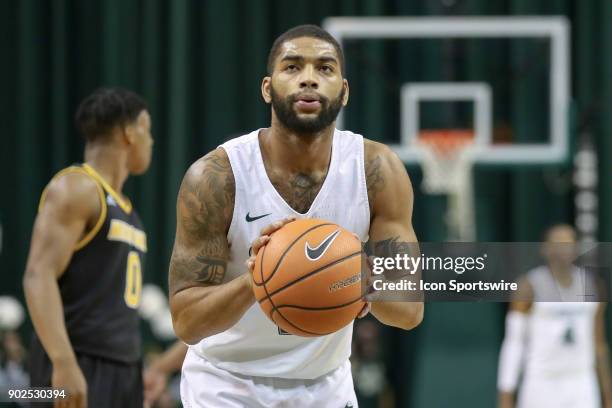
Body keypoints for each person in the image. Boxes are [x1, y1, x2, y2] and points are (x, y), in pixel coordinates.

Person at [169, 24, 424, 407]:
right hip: (225, 383)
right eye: (292, 67)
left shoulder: (377, 170)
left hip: (325, 385)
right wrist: (262, 279)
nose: (309, 79)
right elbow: (186, 321)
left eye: (324, 68)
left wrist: (357, 276)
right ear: (267, 88)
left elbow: (409, 310)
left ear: (345, 90)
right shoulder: (216, 177)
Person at [24, 88, 153, 408]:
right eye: (147, 131)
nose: (151, 142)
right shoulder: (77, 187)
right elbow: (38, 275)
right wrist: (63, 362)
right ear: (129, 132)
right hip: (76, 360)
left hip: (123, 367)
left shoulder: (126, 207)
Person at [497, 224, 612, 408]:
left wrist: (607, 393)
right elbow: (514, 343)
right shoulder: (528, 286)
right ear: (545, 249)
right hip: (541, 382)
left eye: (569, 242)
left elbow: (599, 343)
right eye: (558, 243)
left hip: (581, 381)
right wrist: (505, 396)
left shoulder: (593, 285)